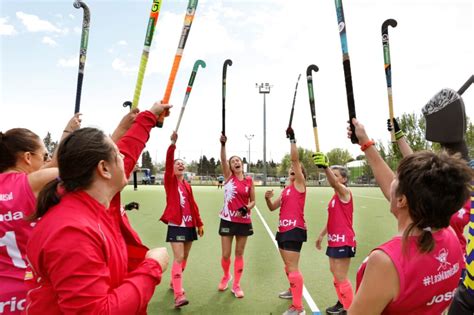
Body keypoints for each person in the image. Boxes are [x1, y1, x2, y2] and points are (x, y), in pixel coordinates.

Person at [25, 103, 170, 314]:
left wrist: (148, 117)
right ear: (104, 169)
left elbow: (129, 148)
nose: (124, 158)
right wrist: (152, 267)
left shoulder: (89, 206)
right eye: (117, 155)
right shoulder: (72, 232)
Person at [348, 118, 470, 314]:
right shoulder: (451, 236)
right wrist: (365, 143)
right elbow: (423, 187)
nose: (392, 181)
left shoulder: (386, 261)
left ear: (402, 200)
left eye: (397, 178)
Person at [0, 114, 81, 314]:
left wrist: (68, 132)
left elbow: (52, 165)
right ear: (27, 157)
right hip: (30, 295)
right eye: (43, 156)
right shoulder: (33, 184)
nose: (46, 161)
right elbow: (80, 166)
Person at [264, 127, 307, 315]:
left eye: (294, 171)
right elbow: (273, 207)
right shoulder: (286, 190)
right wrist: (266, 198)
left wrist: (292, 139)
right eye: (289, 171)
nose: (291, 172)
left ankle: (298, 308)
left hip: (294, 229)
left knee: (292, 267)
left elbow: (295, 160)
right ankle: (292, 291)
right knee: (287, 266)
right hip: (282, 230)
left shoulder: (299, 185)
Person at [160, 131, 204, 308]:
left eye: (182, 163)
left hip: (189, 225)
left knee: (184, 257)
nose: (180, 165)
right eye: (177, 163)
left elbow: (193, 205)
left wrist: (199, 222)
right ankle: (178, 295)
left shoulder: (187, 185)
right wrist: (172, 144)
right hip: (176, 224)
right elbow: (169, 159)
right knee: (178, 258)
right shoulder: (170, 181)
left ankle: (174, 282)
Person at [313, 153, 355, 315]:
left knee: (341, 276)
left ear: (343, 179)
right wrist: (322, 235)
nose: (333, 177)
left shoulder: (345, 192)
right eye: (332, 174)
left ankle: (350, 310)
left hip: (344, 240)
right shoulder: (334, 197)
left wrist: (325, 168)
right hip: (333, 240)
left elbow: (334, 184)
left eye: (336, 175)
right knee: (335, 274)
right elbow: (331, 219)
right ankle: (342, 302)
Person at [217, 134, 255, 298]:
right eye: (233, 162)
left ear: (242, 164)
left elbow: (253, 201)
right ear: (230, 167)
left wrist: (247, 208)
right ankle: (226, 276)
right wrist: (223, 145)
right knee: (226, 254)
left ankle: (236, 285)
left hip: (243, 221)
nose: (236, 162)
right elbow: (223, 159)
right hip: (227, 219)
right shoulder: (228, 177)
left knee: (239, 253)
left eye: (238, 160)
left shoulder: (249, 180)